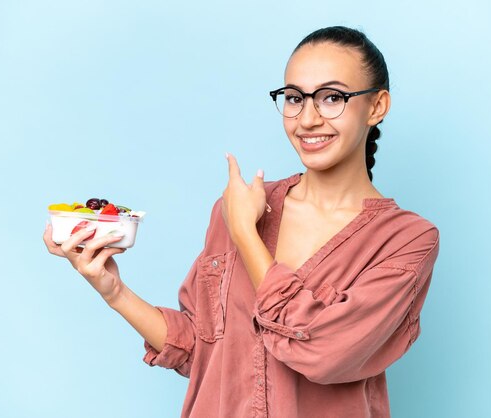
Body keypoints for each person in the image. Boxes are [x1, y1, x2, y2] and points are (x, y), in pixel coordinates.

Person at [44, 25, 440, 418]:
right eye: (294, 98)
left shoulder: (406, 240)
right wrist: (113, 290)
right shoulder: (239, 207)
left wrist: (246, 236)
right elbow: (203, 350)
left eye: (332, 97)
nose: (307, 119)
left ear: (377, 106)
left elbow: (322, 350)